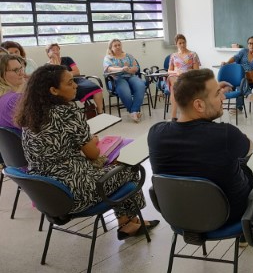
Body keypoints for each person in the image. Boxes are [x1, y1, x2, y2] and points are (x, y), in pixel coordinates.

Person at [15, 65, 159, 240]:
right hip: (75, 192)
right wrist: (91, 142)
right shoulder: (67, 112)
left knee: (113, 168)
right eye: (70, 83)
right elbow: (93, 154)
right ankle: (129, 221)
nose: (76, 86)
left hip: (47, 193)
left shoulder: (30, 115)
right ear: (53, 90)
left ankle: (128, 223)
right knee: (130, 168)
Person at [147, 69, 253, 223]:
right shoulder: (226, 135)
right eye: (218, 93)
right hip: (227, 215)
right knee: (248, 164)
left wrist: (210, 90)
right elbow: (250, 148)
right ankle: (247, 231)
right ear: (199, 105)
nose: (223, 97)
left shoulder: (155, 133)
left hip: (177, 215)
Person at [45, 43, 104, 115]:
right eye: (53, 50)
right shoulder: (47, 66)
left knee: (96, 88)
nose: (56, 52)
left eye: (57, 49)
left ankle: (100, 112)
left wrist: (66, 75)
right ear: (48, 53)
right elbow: (57, 77)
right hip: (63, 85)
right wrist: (57, 63)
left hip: (76, 80)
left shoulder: (67, 59)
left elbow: (77, 72)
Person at [103, 39, 147, 122]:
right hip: (117, 78)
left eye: (119, 45)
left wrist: (127, 70)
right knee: (125, 90)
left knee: (141, 85)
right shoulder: (108, 58)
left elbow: (135, 68)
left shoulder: (128, 56)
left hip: (130, 76)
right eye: (115, 46)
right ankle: (134, 112)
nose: (118, 47)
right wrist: (122, 69)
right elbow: (109, 69)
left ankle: (133, 111)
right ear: (111, 48)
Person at [167, 34, 201, 120]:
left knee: (176, 86)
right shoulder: (173, 56)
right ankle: (174, 116)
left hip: (188, 76)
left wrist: (185, 72)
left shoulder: (193, 54)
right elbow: (169, 71)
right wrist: (176, 71)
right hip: (176, 76)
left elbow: (196, 71)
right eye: (180, 43)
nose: (182, 45)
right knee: (173, 81)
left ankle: (184, 115)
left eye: (183, 42)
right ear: (176, 44)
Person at [223, 35, 253, 102]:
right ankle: (248, 94)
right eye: (249, 43)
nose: (251, 45)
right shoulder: (244, 51)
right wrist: (227, 62)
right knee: (240, 81)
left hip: (252, 78)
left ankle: (239, 108)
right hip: (240, 76)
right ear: (247, 45)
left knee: (239, 82)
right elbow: (235, 58)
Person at [0, 54, 27, 131]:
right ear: (2, 75)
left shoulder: (4, 97)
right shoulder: (15, 99)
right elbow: (35, 128)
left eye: (21, 68)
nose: (21, 73)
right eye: (15, 70)